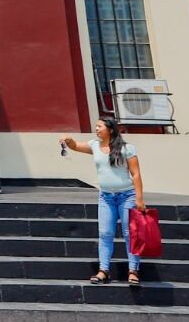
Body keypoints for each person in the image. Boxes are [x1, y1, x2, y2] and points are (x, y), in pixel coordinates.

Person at [60, 117, 147, 286]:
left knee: (130, 234)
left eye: (100, 126)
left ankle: (133, 270)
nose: (96, 129)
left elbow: (135, 174)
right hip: (106, 197)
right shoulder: (94, 145)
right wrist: (68, 140)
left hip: (127, 196)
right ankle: (103, 270)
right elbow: (75, 146)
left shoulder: (127, 149)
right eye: (96, 126)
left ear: (111, 129)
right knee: (105, 233)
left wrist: (139, 198)